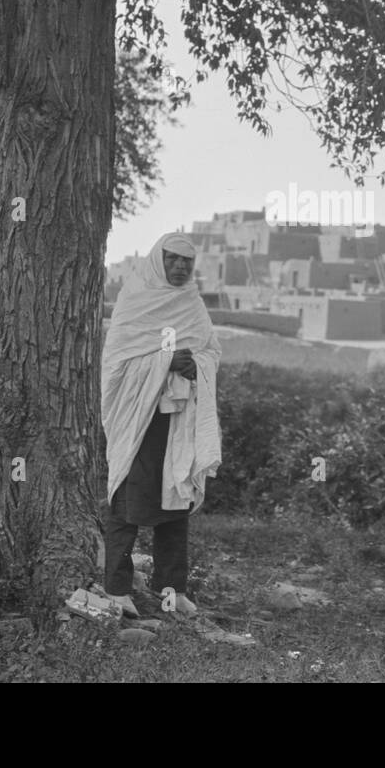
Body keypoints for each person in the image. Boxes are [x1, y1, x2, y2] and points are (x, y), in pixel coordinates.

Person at [99, 232, 222, 618]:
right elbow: (117, 364)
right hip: (139, 420)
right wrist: (166, 361)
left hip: (179, 422)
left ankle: (172, 591)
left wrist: (195, 364)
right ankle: (117, 590)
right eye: (173, 259)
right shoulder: (136, 299)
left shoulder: (192, 304)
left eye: (187, 261)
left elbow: (210, 351)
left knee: (177, 499)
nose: (181, 267)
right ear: (158, 260)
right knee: (126, 500)